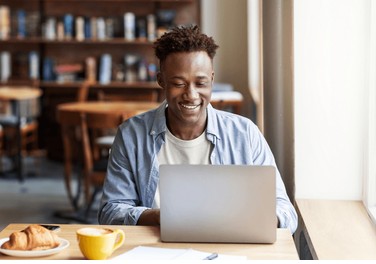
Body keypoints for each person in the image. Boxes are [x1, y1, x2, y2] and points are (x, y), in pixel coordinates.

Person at [98, 25, 298, 234]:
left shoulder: (245, 134)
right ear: (161, 81)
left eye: (201, 83)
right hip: (156, 250)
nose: (191, 95)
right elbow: (110, 212)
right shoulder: (131, 135)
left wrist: (258, 219)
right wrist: (159, 216)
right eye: (178, 83)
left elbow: (286, 212)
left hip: (231, 248)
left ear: (212, 79)